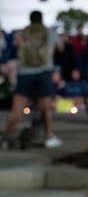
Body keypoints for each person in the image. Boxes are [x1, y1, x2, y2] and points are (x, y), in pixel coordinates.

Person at [3, 11, 62, 148]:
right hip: (44, 72)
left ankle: (6, 136)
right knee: (46, 107)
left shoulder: (21, 33)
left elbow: (15, 49)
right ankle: (49, 137)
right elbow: (60, 48)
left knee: (17, 108)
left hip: (25, 73)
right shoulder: (49, 32)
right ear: (42, 19)